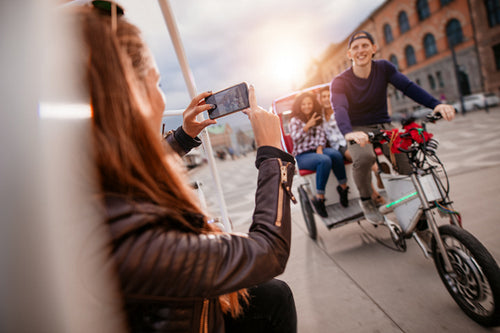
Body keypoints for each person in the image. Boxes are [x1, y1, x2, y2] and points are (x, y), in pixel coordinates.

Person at [73, 3, 297, 332]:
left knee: (273, 296)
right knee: (273, 294)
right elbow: (269, 252)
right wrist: (272, 153)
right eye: (158, 84)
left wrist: (184, 134)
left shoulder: (91, 179)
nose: (162, 100)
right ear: (131, 96)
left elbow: (133, 173)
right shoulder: (133, 241)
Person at [330, 30, 455, 224]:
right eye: (355, 47)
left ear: (374, 49)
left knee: (406, 158)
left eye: (365, 46)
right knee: (365, 157)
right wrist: (349, 133)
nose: (360, 50)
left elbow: (408, 87)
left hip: (384, 125)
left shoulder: (384, 68)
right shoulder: (340, 82)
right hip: (358, 128)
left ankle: (426, 198)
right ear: (349, 54)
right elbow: (340, 108)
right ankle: (366, 200)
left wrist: (436, 104)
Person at [319, 86, 385, 205]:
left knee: (360, 157)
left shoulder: (341, 110)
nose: (326, 99)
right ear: (320, 99)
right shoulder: (320, 116)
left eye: (329, 96)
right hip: (338, 147)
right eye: (323, 97)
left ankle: (376, 181)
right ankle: (377, 175)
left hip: (349, 140)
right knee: (358, 158)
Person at [289, 91, 349, 217]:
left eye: (309, 103)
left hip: (317, 150)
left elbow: (321, 135)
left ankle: (343, 188)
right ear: (299, 105)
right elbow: (295, 138)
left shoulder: (317, 117)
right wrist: (307, 126)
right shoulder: (294, 120)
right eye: (304, 104)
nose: (307, 106)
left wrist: (320, 147)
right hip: (302, 155)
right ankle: (319, 198)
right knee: (324, 160)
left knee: (336, 155)